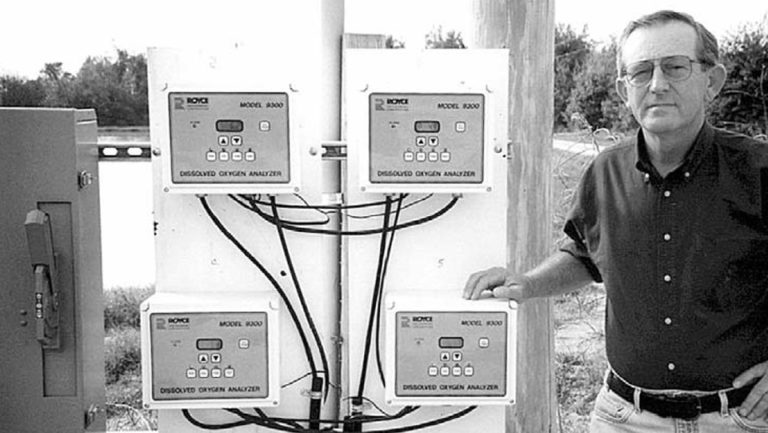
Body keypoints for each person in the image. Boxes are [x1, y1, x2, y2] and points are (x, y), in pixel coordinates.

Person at [463, 9, 768, 433]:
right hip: (624, 418)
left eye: (675, 67)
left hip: (740, 419)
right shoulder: (604, 172)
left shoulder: (757, 169)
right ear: (626, 90)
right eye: (641, 72)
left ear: (711, 81)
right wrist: (527, 283)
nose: (657, 84)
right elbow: (585, 255)